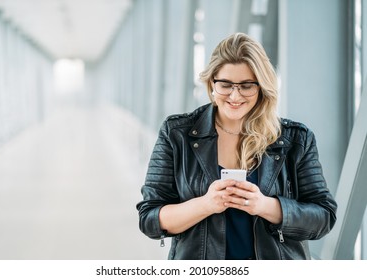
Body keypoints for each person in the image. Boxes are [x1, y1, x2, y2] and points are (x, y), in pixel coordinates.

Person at [136, 33, 337, 260]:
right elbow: (149, 219)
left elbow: (324, 216)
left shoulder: (296, 140)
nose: (235, 95)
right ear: (212, 83)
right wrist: (206, 204)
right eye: (226, 84)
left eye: (246, 86)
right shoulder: (176, 134)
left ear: (261, 87)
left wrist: (265, 206)